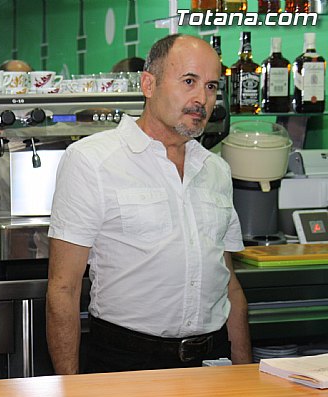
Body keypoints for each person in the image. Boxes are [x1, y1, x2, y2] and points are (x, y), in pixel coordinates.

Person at [46, 34, 252, 375]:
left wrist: (244, 375)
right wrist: (69, 390)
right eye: (189, 81)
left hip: (212, 362)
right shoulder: (91, 160)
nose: (201, 99)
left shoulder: (216, 169)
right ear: (148, 84)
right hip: (126, 363)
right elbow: (63, 289)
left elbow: (228, 282)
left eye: (211, 86)